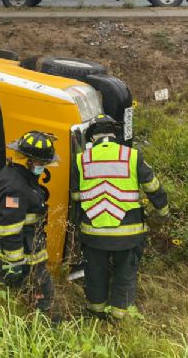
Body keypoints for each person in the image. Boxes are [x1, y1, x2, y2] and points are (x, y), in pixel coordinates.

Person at [72, 115, 168, 321]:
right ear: (114, 133)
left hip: (93, 234)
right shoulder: (132, 156)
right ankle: (118, 319)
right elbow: (153, 188)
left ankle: (96, 315)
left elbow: (75, 197)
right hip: (128, 234)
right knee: (125, 276)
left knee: (95, 275)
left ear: (92, 136)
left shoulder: (81, 160)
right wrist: (162, 213)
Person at [0, 131, 57, 315]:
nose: (43, 167)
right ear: (29, 161)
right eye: (42, 164)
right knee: (42, 294)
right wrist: (15, 265)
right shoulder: (15, 189)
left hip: (28, 250)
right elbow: (9, 230)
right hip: (22, 257)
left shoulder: (19, 175)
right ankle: (42, 326)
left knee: (24, 297)